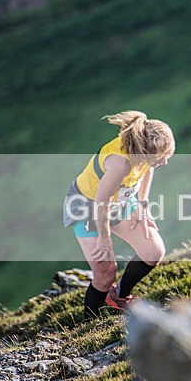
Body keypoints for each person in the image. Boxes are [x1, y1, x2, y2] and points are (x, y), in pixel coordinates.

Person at [63, 111, 175, 319]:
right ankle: (90, 322)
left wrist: (142, 204)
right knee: (105, 274)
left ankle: (117, 297)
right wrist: (104, 238)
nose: (164, 162)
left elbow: (147, 169)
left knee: (152, 252)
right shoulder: (120, 164)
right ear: (146, 151)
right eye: (161, 158)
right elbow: (101, 203)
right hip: (88, 206)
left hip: (121, 200)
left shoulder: (143, 152)